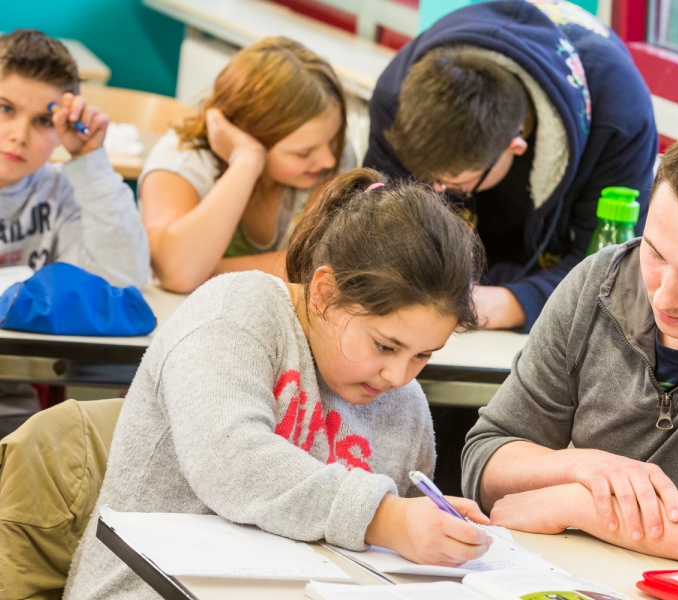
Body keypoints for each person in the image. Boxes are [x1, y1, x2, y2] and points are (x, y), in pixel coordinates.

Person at [64, 168, 492, 597]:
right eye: (385, 346)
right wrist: (384, 518)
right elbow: (229, 461)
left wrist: (423, 525)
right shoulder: (234, 312)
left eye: (423, 355)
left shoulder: (405, 403)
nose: (399, 376)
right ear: (324, 292)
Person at [461, 117, 678, 573]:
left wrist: (581, 505)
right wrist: (588, 468)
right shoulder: (597, 281)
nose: (664, 295)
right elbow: (486, 459)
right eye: (656, 253)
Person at [364, 0, 658, 332]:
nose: (437, 194)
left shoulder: (620, 118)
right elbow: (375, 224)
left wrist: (508, 303)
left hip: (543, 271)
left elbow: (610, 272)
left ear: (515, 146)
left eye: (453, 184)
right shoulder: (396, 95)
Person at [0, 30, 149, 438]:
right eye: (5, 108)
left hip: (15, 412)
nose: (18, 134)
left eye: (43, 121)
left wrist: (90, 161)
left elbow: (121, 284)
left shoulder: (64, 189)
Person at [139, 37, 356, 294]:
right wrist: (246, 160)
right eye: (302, 153)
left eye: (332, 142)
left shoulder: (331, 158)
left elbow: (322, 265)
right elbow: (178, 273)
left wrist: (207, 271)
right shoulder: (183, 156)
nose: (329, 160)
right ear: (250, 133)